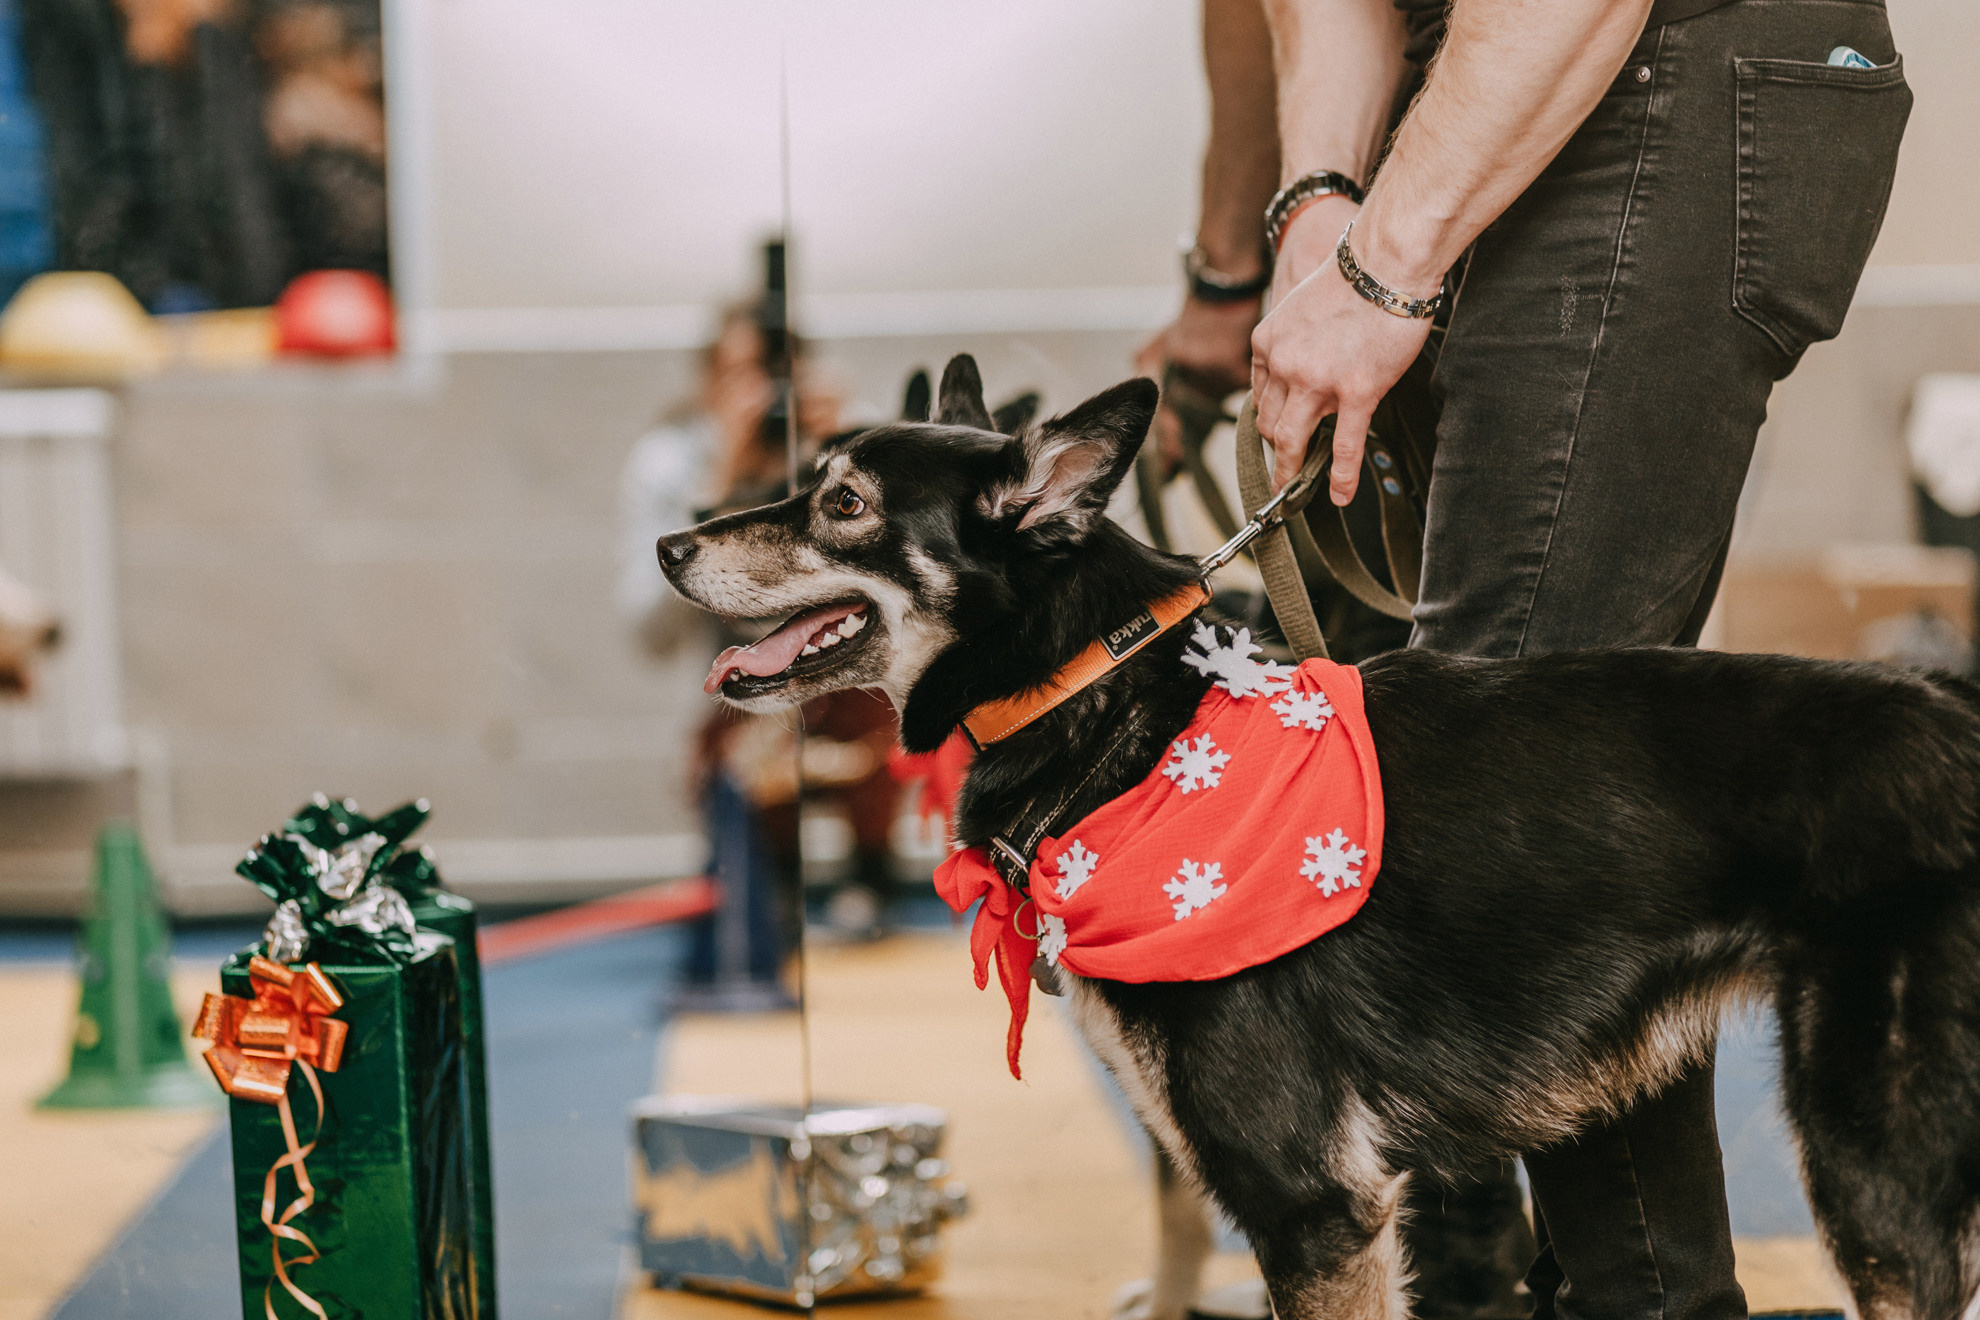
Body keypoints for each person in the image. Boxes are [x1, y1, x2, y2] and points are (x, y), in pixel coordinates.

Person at [1140, 1, 1911, 1319]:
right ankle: (1484, 1280)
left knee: (1509, 771)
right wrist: (1313, 213)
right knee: (1436, 765)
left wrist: (1381, 269)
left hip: (1660, 54)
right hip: (1472, 79)